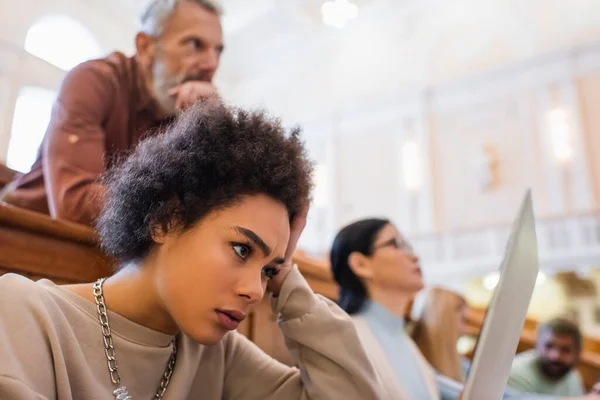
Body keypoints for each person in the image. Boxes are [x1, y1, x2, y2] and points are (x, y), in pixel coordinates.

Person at [0, 102, 384, 399]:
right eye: (241, 249)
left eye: (268, 271)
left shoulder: (218, 357)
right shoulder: (24, 315)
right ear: (165, 219)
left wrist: (285, 274)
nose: (255, 290)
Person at [2, 0, 224, 225]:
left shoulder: (187, 114)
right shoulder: (93, 80)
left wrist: (212, 126)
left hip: (109, 253)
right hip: (22, 231)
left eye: (218, 51)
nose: (212, 64)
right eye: (195, 44)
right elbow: (74, 205)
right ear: (145, 46)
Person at [329, 217, 600, 400]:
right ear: (361, 264)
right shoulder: (350, 336)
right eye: (397, 244)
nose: (414, 255)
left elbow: (476, 393)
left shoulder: (403, 342)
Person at [508, 318, 586, 397]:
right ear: (537, 344)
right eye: (549, 346)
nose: (555, 356)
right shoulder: (515, 371)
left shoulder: (573, 378)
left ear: (578, 353)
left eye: (565, 350)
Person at [410, 287, 470, 382]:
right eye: (463, 320)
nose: (465, 331)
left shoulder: (464, 366)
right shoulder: (413, 367)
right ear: (445, 321)